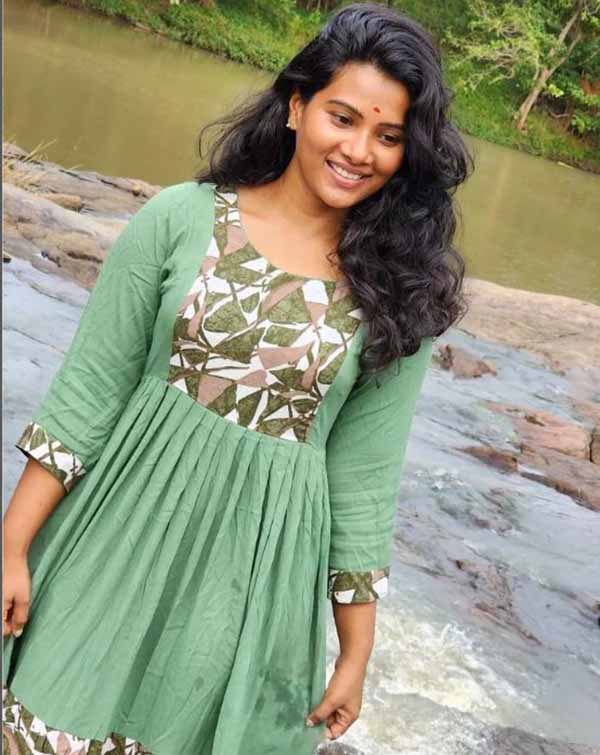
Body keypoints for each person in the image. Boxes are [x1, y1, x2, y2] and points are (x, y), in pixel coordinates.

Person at [2, 3, 473, 754]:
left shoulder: (398, 297)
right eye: (343, 118)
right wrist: (12, 544)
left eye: (388, 137)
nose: (359, 150)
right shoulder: (178, 220)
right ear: (297, 106)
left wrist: (356, 652)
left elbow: (362, 482)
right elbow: (89, 392)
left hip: (250, 586)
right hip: (111, 539)